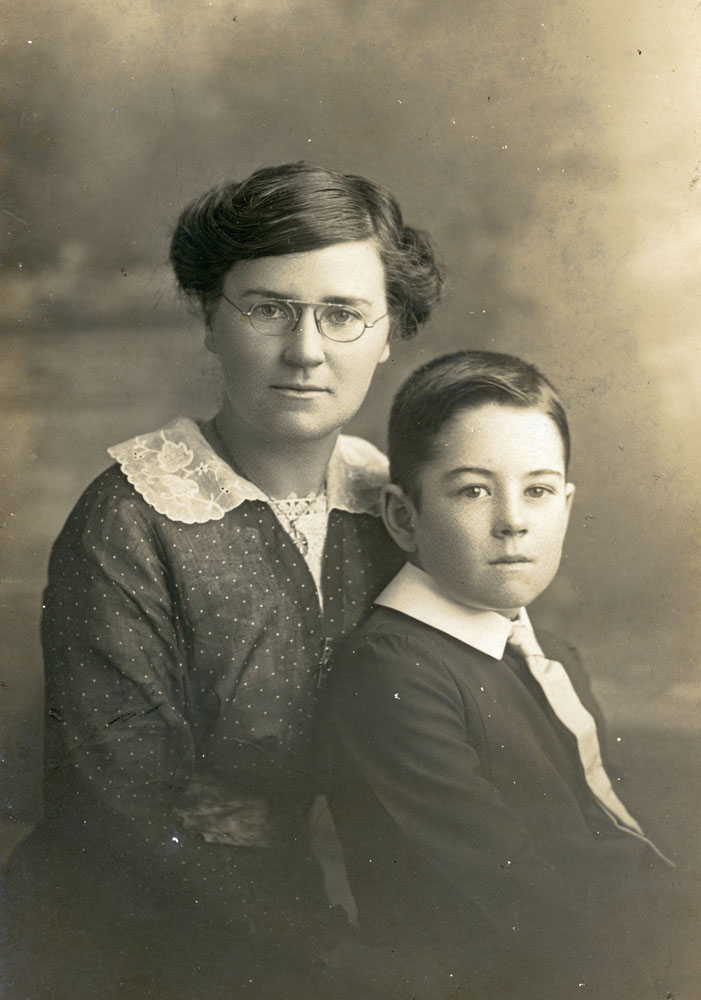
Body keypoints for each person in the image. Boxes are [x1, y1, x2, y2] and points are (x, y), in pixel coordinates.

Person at [1, 162, 443, 1000]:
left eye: (342, 314)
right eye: (268, 308)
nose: (305, 349)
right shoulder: (130, 518)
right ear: (210, 318)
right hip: (116, 939)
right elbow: (118, 817)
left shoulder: (392, 512)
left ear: (388, 332)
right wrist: (337, 962)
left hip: (296, 918)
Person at [324, 350, 689, 999]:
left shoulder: (548, 654)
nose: (513, 519)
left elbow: (607, 841)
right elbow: (517, 896)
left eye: (538, 490)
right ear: (403, 517)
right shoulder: (392, 670)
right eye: (472, 490)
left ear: (567, 505)